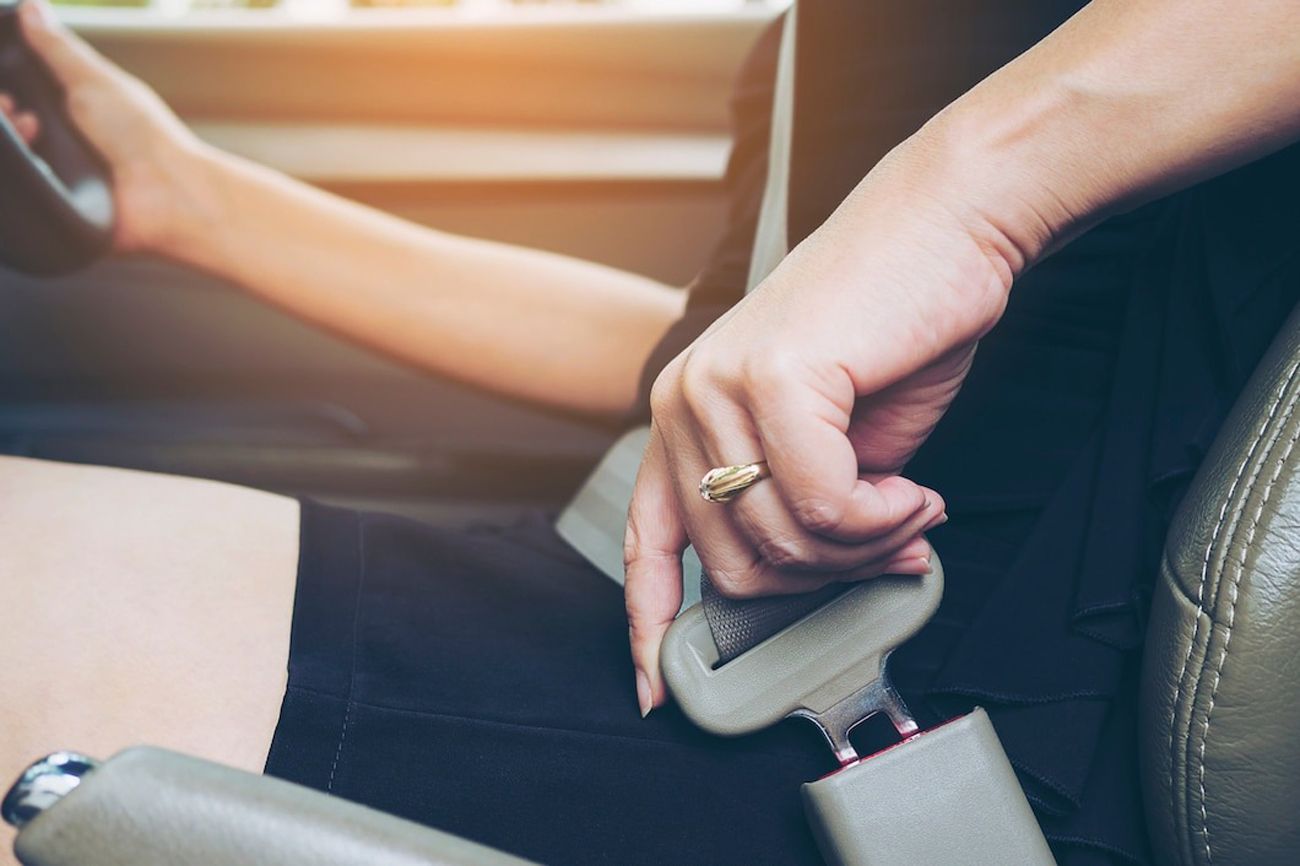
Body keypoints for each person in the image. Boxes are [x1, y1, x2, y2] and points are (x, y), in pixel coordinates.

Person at [3, 0, 1299, 863]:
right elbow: (704, 368)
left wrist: (968, 200)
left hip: (912, 772)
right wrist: (198, 203)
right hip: (685, 630)